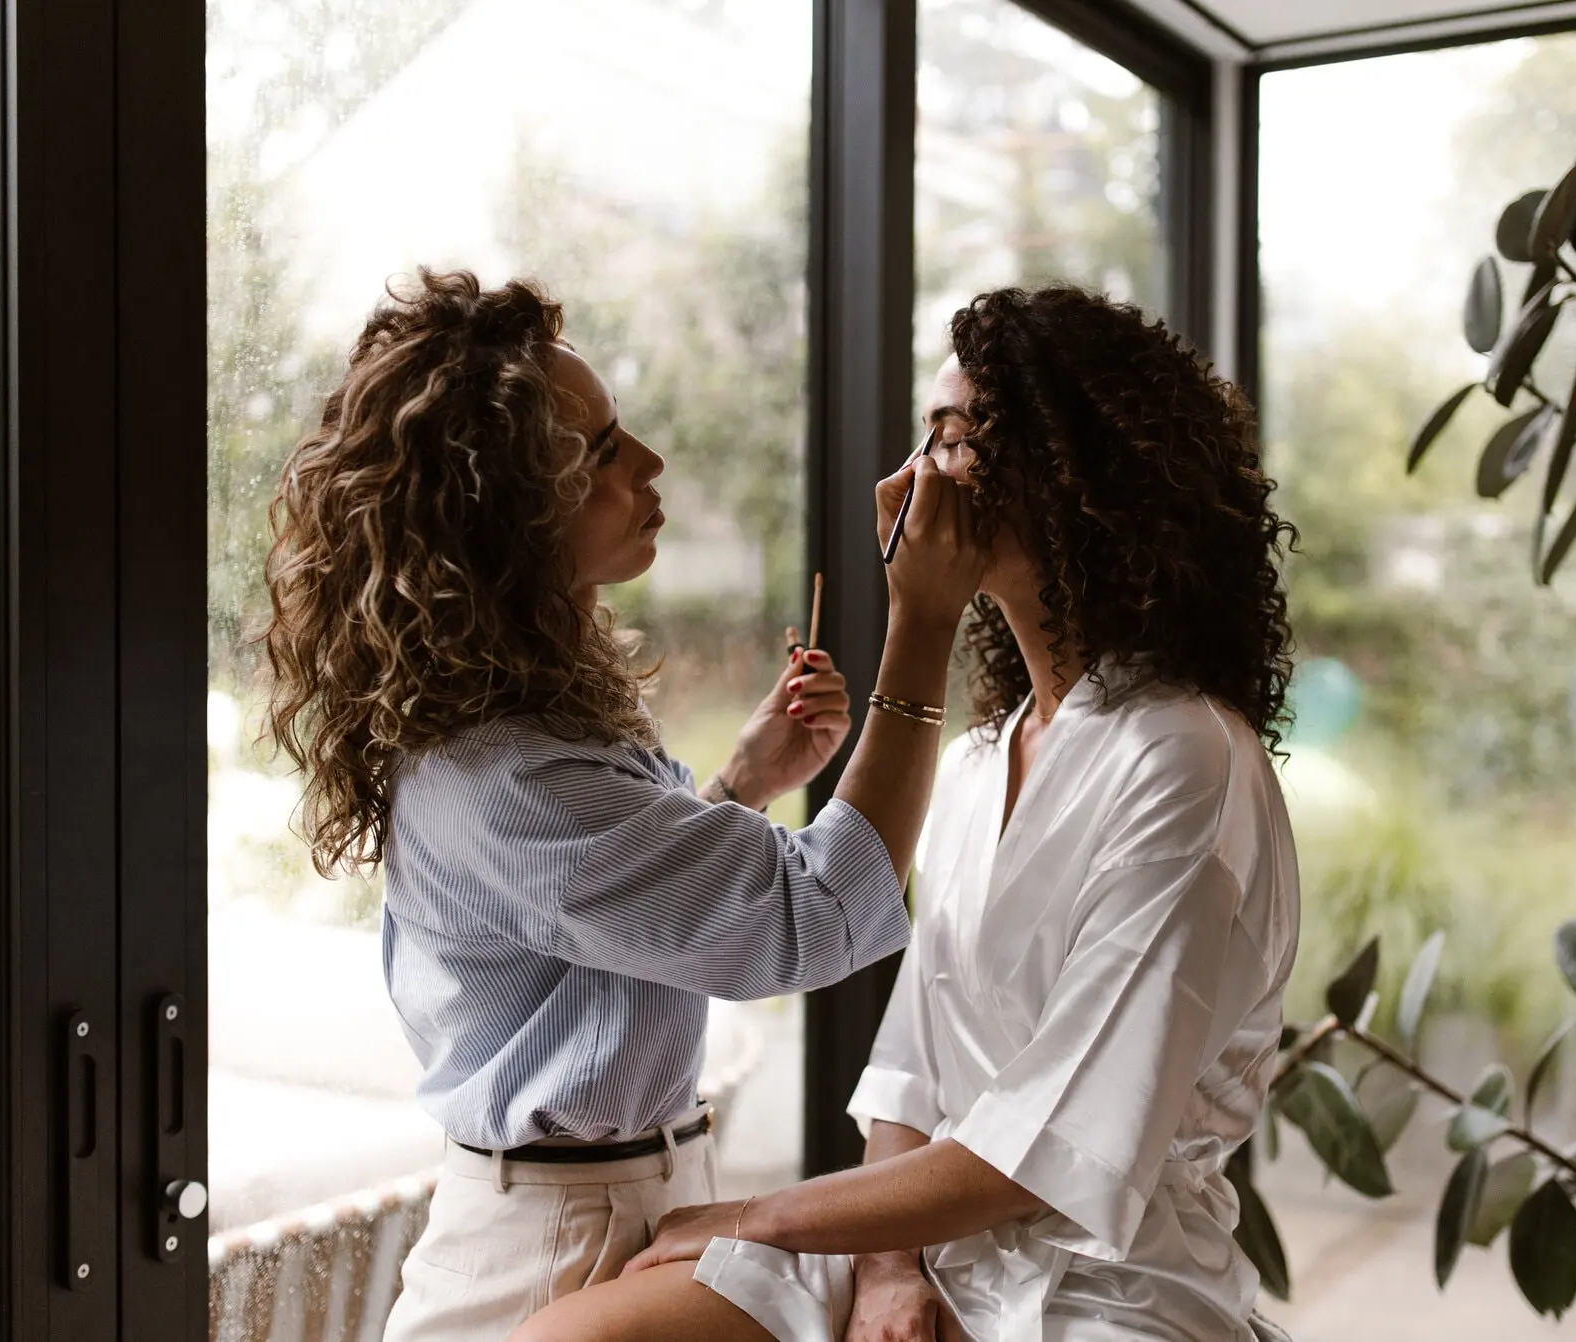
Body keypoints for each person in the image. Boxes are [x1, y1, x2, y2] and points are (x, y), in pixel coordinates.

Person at [507, 283, 1302, 1342]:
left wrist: (758, 1214)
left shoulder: (1184, 757)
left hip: (1102, 1286)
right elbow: (915, 1065)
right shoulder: (982, 758)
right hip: (925, 1247)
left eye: (958, 437)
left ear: (1076, 474)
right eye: (925, 435)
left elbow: (1055, 1146)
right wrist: (884, 1272)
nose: (913, 478)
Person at [259, 268, 984, 1342]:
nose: (646, 463)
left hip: (621, 1198)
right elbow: (813, 916)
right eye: (598, 450)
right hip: (551, 1247)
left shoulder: (528, 707)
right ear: (504, 514)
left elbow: (587, 931)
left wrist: (736, 786)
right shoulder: (503, 773)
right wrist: (922, 625)